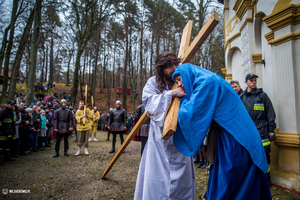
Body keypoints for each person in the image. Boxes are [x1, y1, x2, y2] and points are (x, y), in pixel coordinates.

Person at [172, 63, 271, 199]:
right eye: (176, 81)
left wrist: (182, 99)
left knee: (230, 179)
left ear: (188, 74)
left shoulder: (207, 82)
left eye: (179, 79)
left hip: (237, 140)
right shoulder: (208, 80)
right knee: (226, 178)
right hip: (231, 135)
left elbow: (189, 114)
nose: (179, 85)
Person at [134, 52, 195, 200]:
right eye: (170, 65)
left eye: (176, 63)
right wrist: (174, 93)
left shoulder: (184, 80)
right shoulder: (152, 83)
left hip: (181, 140)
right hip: (159, 141)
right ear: (161, 69)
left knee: (182, 183)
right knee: (158, 181)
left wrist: (184, 90)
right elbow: (150, 105)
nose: (174, 67)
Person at [240, 73, 276, 183]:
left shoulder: (262, 96)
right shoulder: (242, 97)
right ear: (246, 82)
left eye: (255, 80)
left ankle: (266, 179)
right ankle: (253, 179)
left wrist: (271, 130)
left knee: (264, 155)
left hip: (262, 130)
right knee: (250, 155)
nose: (254, 82)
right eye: (251, 80)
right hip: (248, 131)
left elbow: (270, 113)